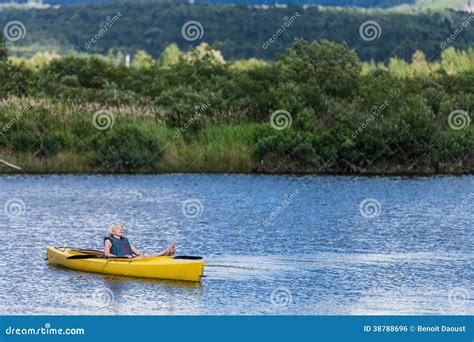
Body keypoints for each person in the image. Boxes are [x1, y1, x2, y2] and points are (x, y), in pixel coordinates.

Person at [104, 223, 175, 258]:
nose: (121, 230)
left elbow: (138, 253)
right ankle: (165, 253)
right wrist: (122, 257)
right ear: (112, 232)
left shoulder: (125, 241)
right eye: (118, 228)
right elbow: (107, 254)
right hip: (120, 260)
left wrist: (141, 255)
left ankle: (166, 253)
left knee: (143, 255)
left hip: (130, 260)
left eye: (121, 228)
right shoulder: (108, 241)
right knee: (142, 257)